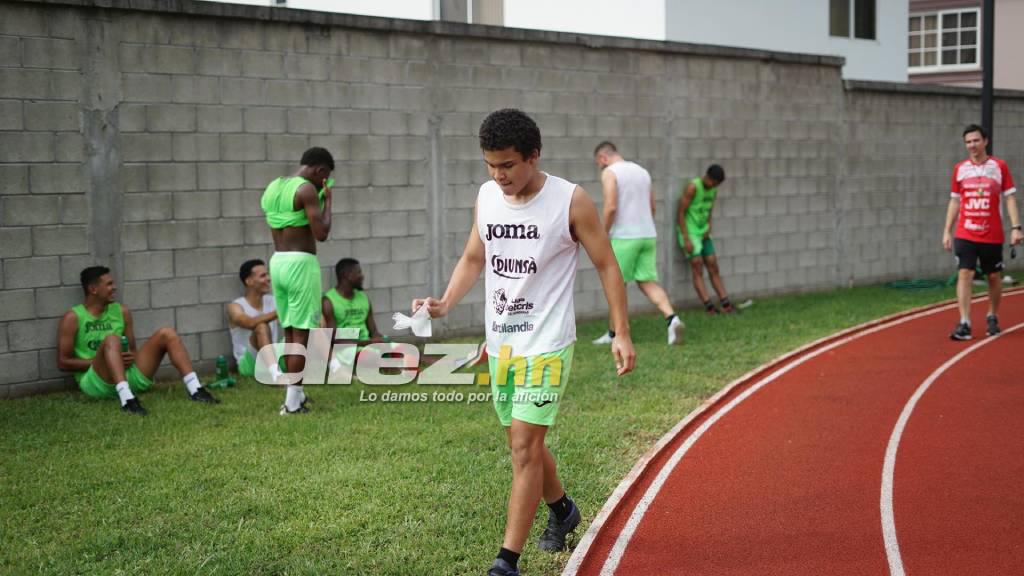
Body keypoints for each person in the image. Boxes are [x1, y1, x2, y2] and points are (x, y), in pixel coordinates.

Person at [412, 109, 636, 576]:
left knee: (523, 447)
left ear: (534, 156)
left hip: (548, 342)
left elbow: (608, 265)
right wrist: (445, 303)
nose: (499, 175)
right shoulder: (486, 197)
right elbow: (475, 256)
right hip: (502, 344)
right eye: (490, 165)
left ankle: (505, 562)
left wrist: (622, 332)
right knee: (521, 441)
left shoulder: (570, 201)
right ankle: (562, 509)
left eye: (508, 165)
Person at [56, 266, 219, 415]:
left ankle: (196, 389)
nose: (114, 288)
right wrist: (108, 360)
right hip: (96, 383)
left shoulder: (121, 311)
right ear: (93, 289)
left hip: (127, 376)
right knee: (112, 339)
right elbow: (63, 362)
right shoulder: (73, 317)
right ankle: (127, 400)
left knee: (167, 333)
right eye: (109, 284)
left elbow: (132, 350)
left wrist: (128, 357)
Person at [261, 147, 334, 414]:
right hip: (301, 263)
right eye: (324, 178)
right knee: (301, 332)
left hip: (277, 261)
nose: (323, 182)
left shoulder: (273, 188)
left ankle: (298, 394)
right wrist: (328, 200)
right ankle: (291, 404)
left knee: (290, 329)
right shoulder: (306, 190)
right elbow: (322, 233)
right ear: (320, 171)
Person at [591, 141, 684, 345]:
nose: (601, 167)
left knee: (615, 284)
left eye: (599, 164)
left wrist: (602, 234)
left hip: (624, 236)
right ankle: (672, 319)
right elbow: (652, 207)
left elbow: (611, 207)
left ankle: (614, 334)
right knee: (646, 282)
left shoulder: (610, 172)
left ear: (602, 158)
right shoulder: (642, 172)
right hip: (647, 234)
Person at [943, 124, 1021, 340]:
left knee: (994, 277)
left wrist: (1016, 227)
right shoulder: (960, 169)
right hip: (966, 232)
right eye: (968, 142)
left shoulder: (999, 166)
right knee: (965, 273)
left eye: (976, 140)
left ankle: (992, 315)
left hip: (992, 234)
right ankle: (965, 322)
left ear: (985, 141)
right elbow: (954, 201)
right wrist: (947, 231)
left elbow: (1010, 197)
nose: (972, 145)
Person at [677, 164, 735, 314]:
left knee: (713, 264)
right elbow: (681, 212)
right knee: (697, 266)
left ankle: (726, 303)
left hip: (703, 233)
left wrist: (709, 226)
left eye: (717, 185)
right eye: (714, 183)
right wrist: (686, 238)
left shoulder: (713, 190)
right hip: (690, 233)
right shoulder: (692, 187)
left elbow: (710, 210)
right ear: (708, 177)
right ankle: (709, 306)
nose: (715, 186)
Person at [226, 259, 281, 380]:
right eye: (263, 276)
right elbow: (250, 323)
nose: (269, 279)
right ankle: (276, 375)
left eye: (268, 274)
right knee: (261, 327)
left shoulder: (273, 301)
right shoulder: (235, 306)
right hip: (250, 365)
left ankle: (328, 365)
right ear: (249, 281)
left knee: (299, 329)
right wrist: (282, 311)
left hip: (276, 356)